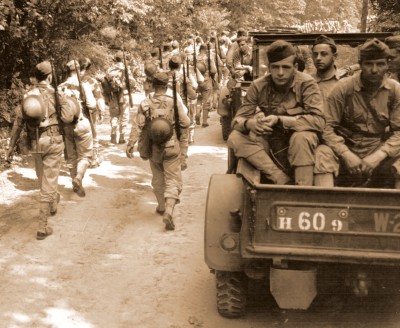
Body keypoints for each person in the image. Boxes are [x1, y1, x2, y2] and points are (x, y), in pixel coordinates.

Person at [227, 40, 325, 186]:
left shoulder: (307, 84)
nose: (280, 73)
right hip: (271, 140)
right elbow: (237, 121)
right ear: (269, 68)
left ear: (295, 67)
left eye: (286, 67)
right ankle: (280, 179)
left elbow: (319, 121)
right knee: (235, 138)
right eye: (275, 67)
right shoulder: (259, 85)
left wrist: (280, 120)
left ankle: (303, 191)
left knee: (302, 138)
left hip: (300, 139)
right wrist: (249, 123)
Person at [314, 38, 400, 188]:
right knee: (323, 153)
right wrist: (345, 153)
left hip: (377, 148)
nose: (374, 70)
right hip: (346, 146)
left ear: (387, 65)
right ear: (360, 65)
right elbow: (326, 127)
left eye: (380, 64)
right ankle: (325, 207)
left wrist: (379, 155)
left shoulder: (395, 90)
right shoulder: (343, 87)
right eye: (369, 64)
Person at [6, 60, 75, 240]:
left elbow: (18, 123)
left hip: (35, 142)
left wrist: (10, 147)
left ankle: (52, 202)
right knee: (49, 180)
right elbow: (68, 118)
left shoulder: (28, 96)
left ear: (35, 78)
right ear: (50, 76)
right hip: (53, 140)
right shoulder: (56, 93)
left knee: (42, 177)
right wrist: (62, 99)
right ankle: (42, 227)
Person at [126, 72, 190, 231]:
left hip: (154, 148)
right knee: (173, 180)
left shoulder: (145, 104)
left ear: (153, 86)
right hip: (171, 146)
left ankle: (161, 206)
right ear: (167, 86)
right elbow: (185, 123)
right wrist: (184, 150)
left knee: (158, 178)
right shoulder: (174, 102)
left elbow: (138, 126)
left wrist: (130, 143)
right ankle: (169, 209)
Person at [59, 60, 95, 197]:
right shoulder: (83, 85)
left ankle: (75, 184)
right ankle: (79, 177)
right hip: (82, 123)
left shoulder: (60, 87)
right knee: (85, 155)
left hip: (67, 126)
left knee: (72, 157)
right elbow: (92, 105)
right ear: (79, 71)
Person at [79, 57, 106, 168]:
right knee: (93, 133)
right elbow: (99, 97)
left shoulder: (70, 79)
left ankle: (79, 159)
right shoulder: (91, 81)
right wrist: (102, 112)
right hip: (88, 112)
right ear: (89, 67)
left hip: (74, 113)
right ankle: (93, 159)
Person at [105, 51, 136, 144]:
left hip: (113, 95)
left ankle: (113, 136)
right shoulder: (126, 69)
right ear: (123, 59)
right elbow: (132, 82)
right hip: (124, 95)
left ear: (115, 59)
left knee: (114, 115)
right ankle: (122, 137)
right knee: (124, 116)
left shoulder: (110, 69)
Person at [195, 44, 217, 127]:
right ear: (205, 50)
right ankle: (204, 121)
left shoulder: (194, 58)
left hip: (197, 81)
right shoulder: (208, 58)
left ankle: (197, 113)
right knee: (206, 101)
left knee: (199, 99)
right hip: (206, 81)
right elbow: (214, 70)